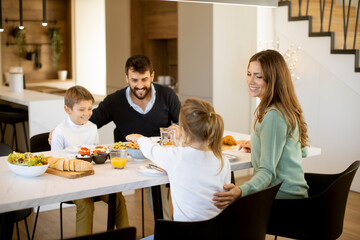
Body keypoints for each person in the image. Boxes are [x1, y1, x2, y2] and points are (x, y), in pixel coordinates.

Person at [213, 49, 309, 209]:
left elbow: (267, 172)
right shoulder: (286, 108)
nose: (251, 81)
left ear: (274, 80)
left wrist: (240, 191)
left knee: (224, 211)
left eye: (258, 76)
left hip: (282, 199)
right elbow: (302, 151)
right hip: (295, 193)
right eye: (249, 74)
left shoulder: (273, 115)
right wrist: (260, 145)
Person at [89, 54, 181, 219]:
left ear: (152, 76)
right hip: (127, 162)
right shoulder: (114, 101)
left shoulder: (167, 95)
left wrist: (175, 129)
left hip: (157, 158)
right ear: (126, 78)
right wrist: (63, 128)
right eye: (134, 80)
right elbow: (89, 123)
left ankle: (167, 228)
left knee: (158, 180)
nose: (140, 86)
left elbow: (183, 123)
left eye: (144, 79)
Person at [126, 97, 231, 223]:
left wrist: (139, 138)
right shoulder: (223, 160)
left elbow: (152, 149)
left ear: (184, 131)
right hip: (216, 233)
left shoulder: (175, 157)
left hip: (184, 234)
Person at [51, 85, 129, 236]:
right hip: (70, 182)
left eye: (90, 109)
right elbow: (56, 165)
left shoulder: (92, 128)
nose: (87, 113)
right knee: (86, 204)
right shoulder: (60, 132)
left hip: (92, 179)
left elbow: (94, 155)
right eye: (81, 109)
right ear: (67, 110)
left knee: (117, 198)